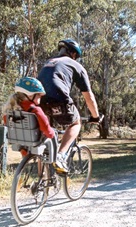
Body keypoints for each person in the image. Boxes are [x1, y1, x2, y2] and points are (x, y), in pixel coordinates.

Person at [37, 38, 101, 173]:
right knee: (76, 123)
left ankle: (41, 182)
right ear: (73, 54)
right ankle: (60, 156)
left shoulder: (48, 62)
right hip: (58, 98)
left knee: (45, 140)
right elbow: (89, 97)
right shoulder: (75, 65)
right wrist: (95, 117)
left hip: (39, 101)